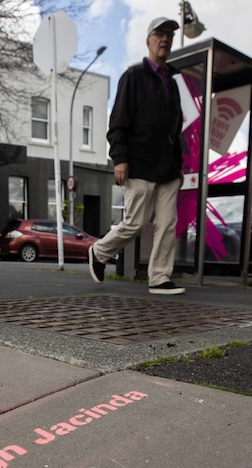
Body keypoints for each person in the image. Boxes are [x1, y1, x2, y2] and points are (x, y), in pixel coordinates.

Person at [89, 16, 185, 295]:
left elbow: (175, 128)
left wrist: (178, 165)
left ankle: (159, 277)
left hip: (168, 168)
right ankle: (99, 252)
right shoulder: (133, 77)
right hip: (139, 163)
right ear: (148, 41)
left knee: (168, 224)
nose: (165, 38)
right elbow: (118, 121)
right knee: (135, 223)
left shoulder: (173, 84)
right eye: (160, 34)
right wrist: (120, 158)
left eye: (169, 34)